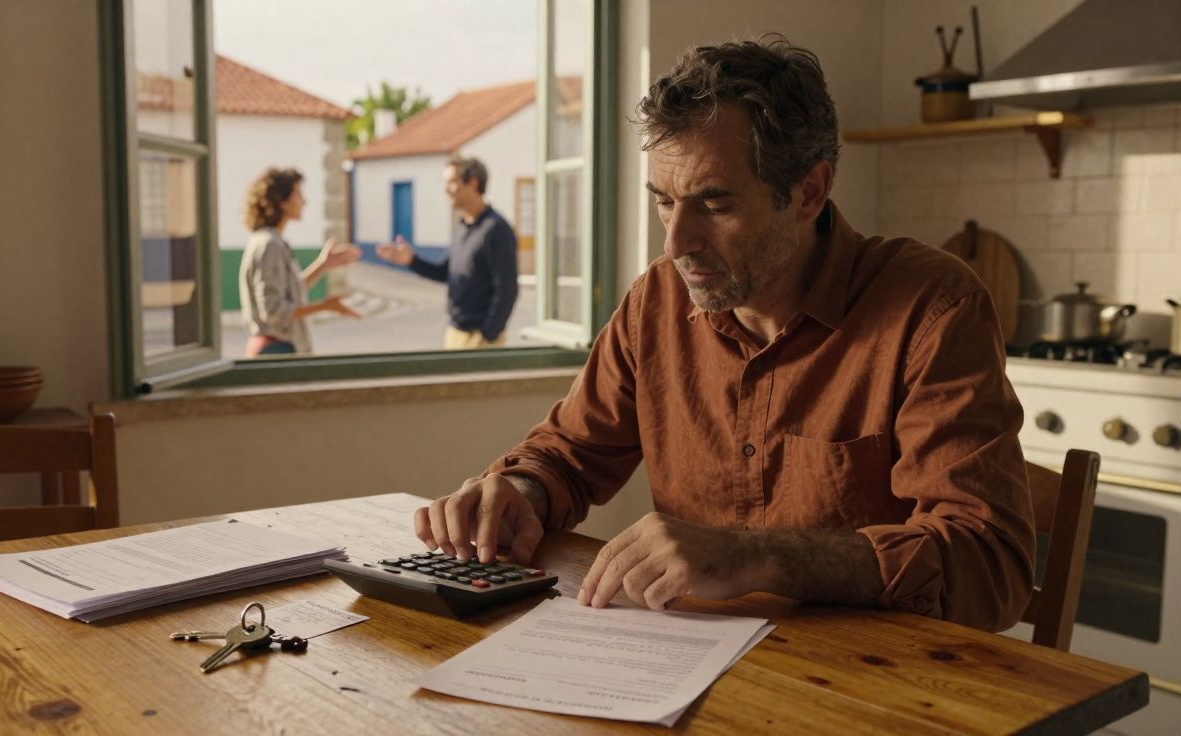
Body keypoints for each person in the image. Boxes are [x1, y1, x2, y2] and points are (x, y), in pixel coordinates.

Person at [412, 37, 1035, 632]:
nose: (675, 243)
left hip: (871, 687)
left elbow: (989, 563)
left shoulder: (932, 307)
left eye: (714, 204)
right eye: (663, 201)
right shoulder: (655, 301)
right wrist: (519, 491)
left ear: (809, 192)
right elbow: (570, 454)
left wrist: (755, 558)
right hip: (688, 674)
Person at [376, 157, 519, 349]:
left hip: (480, 340)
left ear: (473, 183)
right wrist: (412, 261)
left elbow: (507, 289)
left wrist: (488, 334)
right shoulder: (462, 227)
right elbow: (447, 273)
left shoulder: (497, 230)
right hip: (455, 334)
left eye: (451, 182)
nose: (445, 189)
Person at [239, 167, 362, 357]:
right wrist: (325, 306)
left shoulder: (270, 241)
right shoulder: (270, 245)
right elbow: (273, 312)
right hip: (276, 350)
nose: (304, 202)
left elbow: (289, 293)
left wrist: (324, 264)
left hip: (275, 348)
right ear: (282, 202)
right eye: (298, 195)